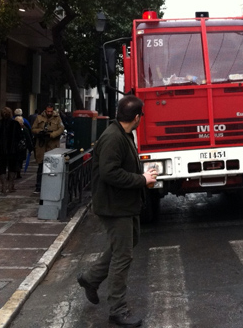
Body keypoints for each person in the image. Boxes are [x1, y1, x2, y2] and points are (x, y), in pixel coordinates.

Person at [76, 95, 156, 327]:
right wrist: (141, 179)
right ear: (137, 117)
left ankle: (90, 279)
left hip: (124, 204)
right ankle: (117, 309)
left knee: (129, 242)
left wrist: (142, 179)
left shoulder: (123, 134)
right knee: (123, 255)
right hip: (114, 206)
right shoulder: (113, 138)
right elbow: (109, 173)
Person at [31, 104, 64, 193]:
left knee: (51, 167)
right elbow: (33, 128)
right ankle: (39, 186)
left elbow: (61, 129)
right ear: (45, 110)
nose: (49, 113)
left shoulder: (57, 118)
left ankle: (50, 186)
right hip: (42, 145)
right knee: (41, 167)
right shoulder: (39, 118)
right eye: (48, 111)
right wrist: (40, 132)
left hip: (52, 145)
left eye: (51, 111)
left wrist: (52, 134)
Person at [0, 107, 22, 195]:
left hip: (0, 151)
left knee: (2, 168)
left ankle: (3, 186)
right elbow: (19, 137)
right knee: (12, 167)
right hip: (13, 150)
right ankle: (11, 185)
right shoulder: (15, 124)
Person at [14, 116, 34, 181]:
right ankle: (18, 171)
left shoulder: (12, 128)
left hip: (14, 147)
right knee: (20, 160)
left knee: (15, 160)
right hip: (22, 147)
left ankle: (14, 171)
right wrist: (30, 147)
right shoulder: (24, 129)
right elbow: (28, 138)